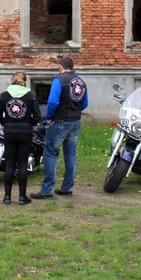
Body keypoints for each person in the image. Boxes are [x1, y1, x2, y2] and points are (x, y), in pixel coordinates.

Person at [31, 56, 88, 199]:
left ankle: (47, 190)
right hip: (75, 121)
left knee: (50, 153)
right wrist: (75, 111)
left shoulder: (59, 80)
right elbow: (85, 103)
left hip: (59, 121)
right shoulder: (80, 82)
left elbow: (52, 101)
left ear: (61, 67)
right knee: (70, 154)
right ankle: (67, 188)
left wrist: (49, 116)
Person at [0, 71, 41, 205]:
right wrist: (28, 123)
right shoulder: (31, 96)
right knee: (23, 164)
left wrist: (6, 122)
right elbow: (38, 116)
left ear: (11, 81)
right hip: (25, 132)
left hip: (9, 132)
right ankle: (21, 197)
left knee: (9, 164)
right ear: (25, 82)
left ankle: (7, 197)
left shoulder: (3, 96)